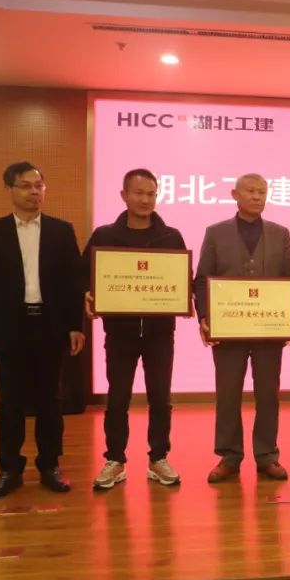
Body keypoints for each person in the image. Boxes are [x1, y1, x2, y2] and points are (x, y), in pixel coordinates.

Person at [0, 161, 85, 499]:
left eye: (38, 185)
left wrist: (75, 326)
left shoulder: (61, 230)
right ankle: (9, 469)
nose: (34, 192)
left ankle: (50, 465)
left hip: (50, 326)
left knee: (50, 399)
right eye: (25, 185)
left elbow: (72, 283)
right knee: (11, 401)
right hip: (9, 327)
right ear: (9, 189)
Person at [83, 168, 187, 490]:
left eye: (151, 193)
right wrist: (88, 294)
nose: (145, 199)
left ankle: (158, 457)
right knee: (117, 398)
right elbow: (84, 276)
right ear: (124, 195)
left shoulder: (171, 237)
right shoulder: (104, 236)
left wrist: (183, 297)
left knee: (161, 398)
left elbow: (183, 280)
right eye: (138, 193)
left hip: (160, 333)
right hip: (120, 333)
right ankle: (115, 459)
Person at [194, 173, 290, 482]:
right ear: (234, 194)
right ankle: (229, 456)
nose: (257, 196)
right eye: (250, 191)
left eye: (262, 192)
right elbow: (202, 279)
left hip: (269, 329)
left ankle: (267, 455)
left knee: (268, 394)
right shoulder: (216, 233)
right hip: (228, 330)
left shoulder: (280, 233)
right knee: (228, 394)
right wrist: (204, 316)